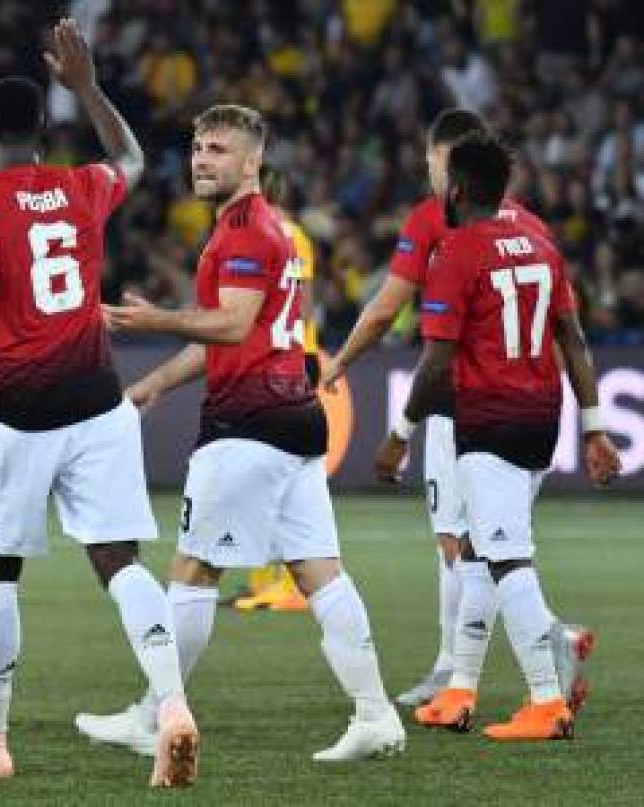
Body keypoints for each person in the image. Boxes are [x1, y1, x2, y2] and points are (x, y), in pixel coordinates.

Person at [81, 104, 405, 762]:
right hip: (291, 418)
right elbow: (231, 333)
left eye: (219, 149)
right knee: (321, 574)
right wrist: (154, 384)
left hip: (248, 424)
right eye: (198, 147)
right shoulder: (255, 228)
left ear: (253, 161)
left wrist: (152, 322)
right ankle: (377, 715)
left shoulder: (247, 232)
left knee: (194, 569)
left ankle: (154, 714)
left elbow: (229, 325)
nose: (202, 159)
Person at [0, 19, 198, 788]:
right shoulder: (82, 186)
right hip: (97, 399)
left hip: (16, 411)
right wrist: (87, 86)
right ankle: (173, 705)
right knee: (119, 560)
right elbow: (134, 158)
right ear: (46, 127)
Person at [322, 109, 588, 708]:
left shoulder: (434, 221)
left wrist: (345, 367)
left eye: (429, 158)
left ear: (450, 162)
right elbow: (569, 329)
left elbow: (387, 309)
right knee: (483, 546)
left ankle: (482, 663)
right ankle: (478, 670)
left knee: (463, 544)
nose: (425, 169)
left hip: (463, 406)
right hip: (531, 406)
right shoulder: (534, 227)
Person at [375, 133, 621, 739]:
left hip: (488, 419)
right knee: (479, 553)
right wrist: (594, 427)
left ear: (456, 189)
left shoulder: (455, 253)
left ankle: (546, 701)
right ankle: (459, 688)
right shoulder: (541, 243)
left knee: (506, 556)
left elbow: (436, 362)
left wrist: (400, 432)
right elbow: (573, 339)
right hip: (543, 415)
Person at [230, 165, 316, 614]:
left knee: (269, 482)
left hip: (278, 360)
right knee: (263, 480)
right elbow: (307, 300)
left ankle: (284, 583)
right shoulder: (295, 234)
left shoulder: (266, 232)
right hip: (294, 356)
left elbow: (289, 302)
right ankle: (264, 580)